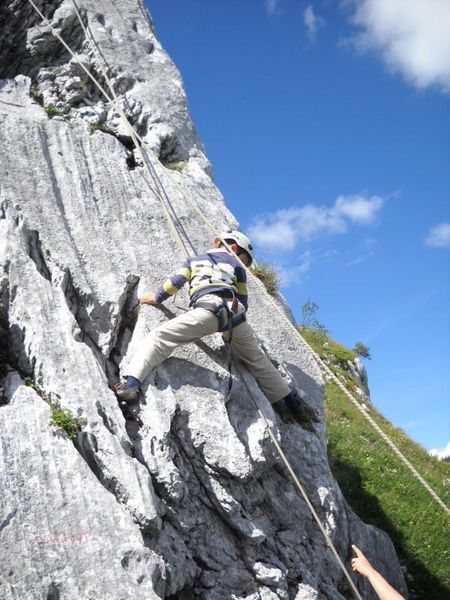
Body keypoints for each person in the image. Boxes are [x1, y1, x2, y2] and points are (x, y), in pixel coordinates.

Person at [114, 230, 318, 428]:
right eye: (244, 259)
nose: (242, 263)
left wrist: (156, 298)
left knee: (160, 337)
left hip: (207, 310)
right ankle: (291, 401)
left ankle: (131, 385)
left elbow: (175, 282)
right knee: (258, 360)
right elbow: (243, 301)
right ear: (234, 248)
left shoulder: (194, 261)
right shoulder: (237, 267)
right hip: (235, 316)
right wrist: (228, 329)